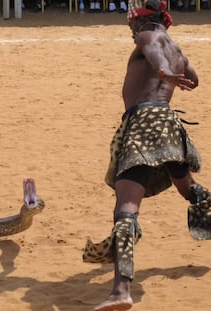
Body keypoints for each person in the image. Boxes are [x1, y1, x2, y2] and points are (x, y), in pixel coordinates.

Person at [82, 0, 211, 310]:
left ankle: (121, 291)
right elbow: (193, 78)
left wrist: (162, 72)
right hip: (169, 124)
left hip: (143, 126)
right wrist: (172, 70)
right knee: (189, 189)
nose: (132, 30)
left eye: (132, 24)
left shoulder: (147, 36)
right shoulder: (177, 48)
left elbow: (153, 48)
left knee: (126, 209)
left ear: (141, 21)